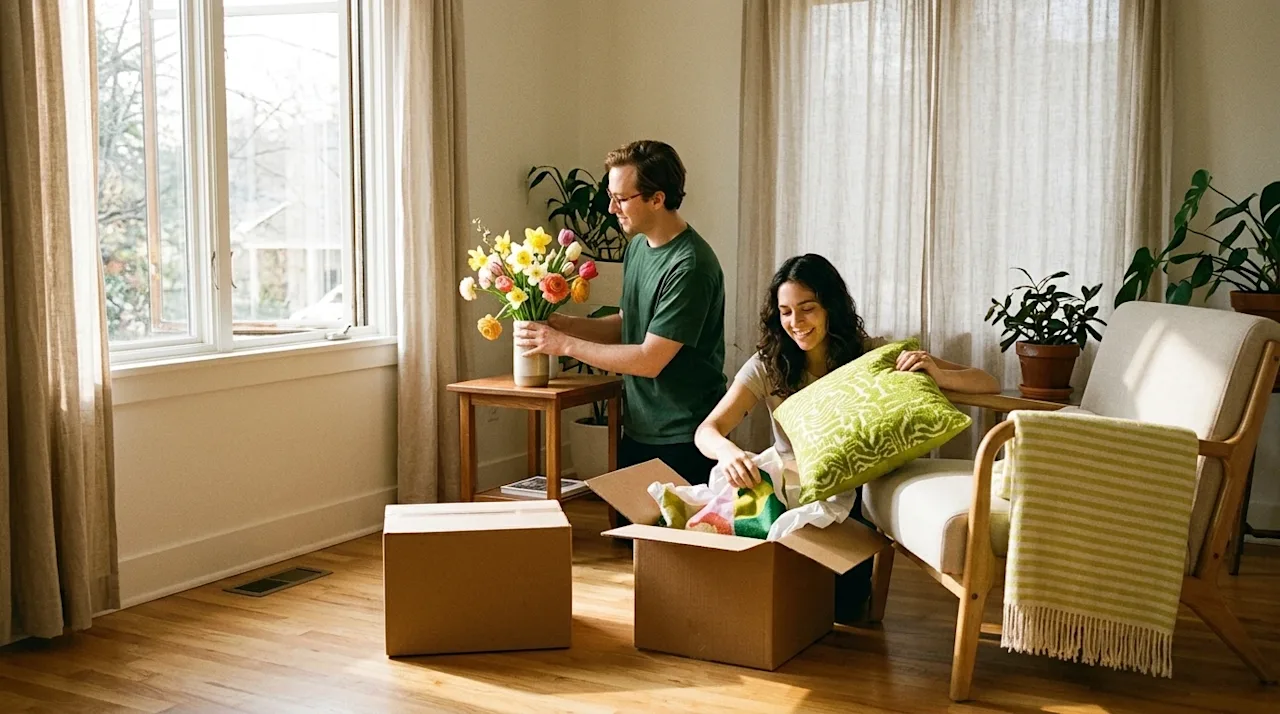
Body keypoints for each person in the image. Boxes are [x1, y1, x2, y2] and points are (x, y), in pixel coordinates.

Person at [694, 253, 999, 621]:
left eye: (807, 309)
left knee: (840, 608)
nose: (796, 322)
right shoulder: (768, 364)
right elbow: (707, 431)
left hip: (850, 493)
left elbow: (987, 382)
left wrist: (935, 372)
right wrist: (727, 453)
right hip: (788, 489)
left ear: (830, 308)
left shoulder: (871, 355)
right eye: (786, 311)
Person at [515, 140, 727, 487]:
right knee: (627, 540)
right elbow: (629, 326)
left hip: (685, 436)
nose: (611, 208)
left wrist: (564, 345)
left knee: (669, 541)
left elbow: (649, 359)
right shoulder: (639, 248)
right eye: (611, 196)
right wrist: (562, 325)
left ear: (657, 199)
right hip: (640, 428)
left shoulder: (690, 266)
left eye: (621, 198)